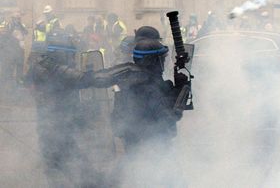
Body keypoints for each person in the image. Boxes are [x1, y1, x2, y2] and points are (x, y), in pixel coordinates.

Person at [26, 31, 131, 187]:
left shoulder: (40, 65)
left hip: (53, 125)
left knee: (62, 163)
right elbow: (87, 79)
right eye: (70, 56)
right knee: (67, 164)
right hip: (60, 126)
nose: (72, 60)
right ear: (62, 54)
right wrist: (121, 73)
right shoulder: (57, 70)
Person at [110, 39, 184, 186]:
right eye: (161, 59)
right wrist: (180, 92)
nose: (164, 64)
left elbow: (117, 124)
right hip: (154, 154)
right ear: (152, 62)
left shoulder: (127, 82)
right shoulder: (151, 88)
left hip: (133, 154)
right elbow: (170, 117)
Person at [9, 12, 28, 84]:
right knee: (12, 63)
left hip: (20, 48)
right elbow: (7, 33)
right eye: (15, 18)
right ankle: (10, 79)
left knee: (20, 63)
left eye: (18, 19)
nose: (16, 20)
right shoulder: (10, 25)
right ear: (13, 19)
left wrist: (20, 25)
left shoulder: (22, 25)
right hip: (12, 48)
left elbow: (26, 32)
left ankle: (19, 79)